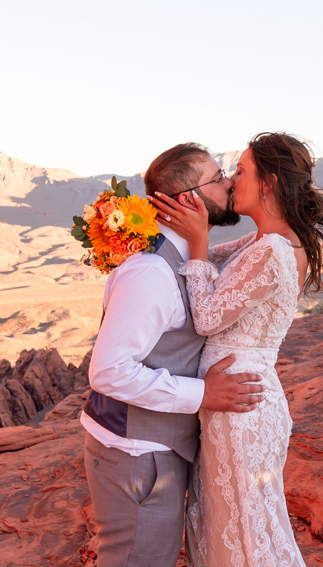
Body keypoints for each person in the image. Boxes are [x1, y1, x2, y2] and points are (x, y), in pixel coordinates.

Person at [150, 132, 323, 567]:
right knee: (228, 525)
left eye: (240, 171)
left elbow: (208, 316)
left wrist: (196, 241)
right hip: (232, 402)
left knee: (247, 534)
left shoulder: (273, 248)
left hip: (242, 407)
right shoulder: (261, 242)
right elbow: (208, 265)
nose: (232, 181)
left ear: (268, 182)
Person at [82, 142, 267, 567]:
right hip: (134, 453)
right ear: (189, 199)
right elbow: (109, 371)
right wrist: (202, 395)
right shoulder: (150, 272)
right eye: (218, 177)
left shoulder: (186, 255)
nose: (228, 183)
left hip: (152, 448)